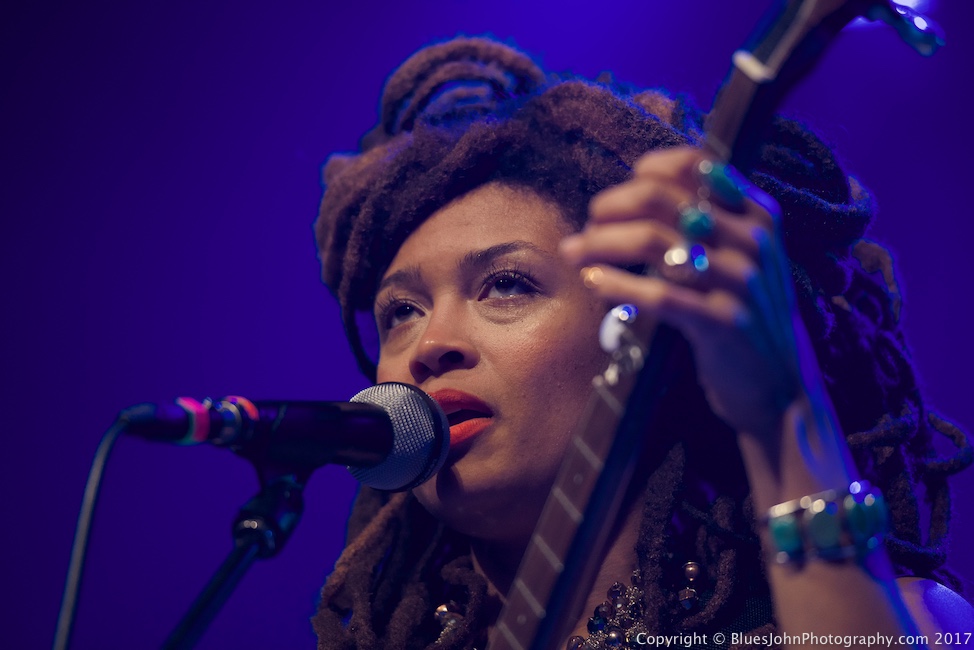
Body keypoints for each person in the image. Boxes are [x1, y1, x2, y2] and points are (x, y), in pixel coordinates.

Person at [310, 37, 972, 649]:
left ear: (651, 334)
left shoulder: (912, 624)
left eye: (506, 285)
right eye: (401, 311)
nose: (431, 344)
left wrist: (783, 413)